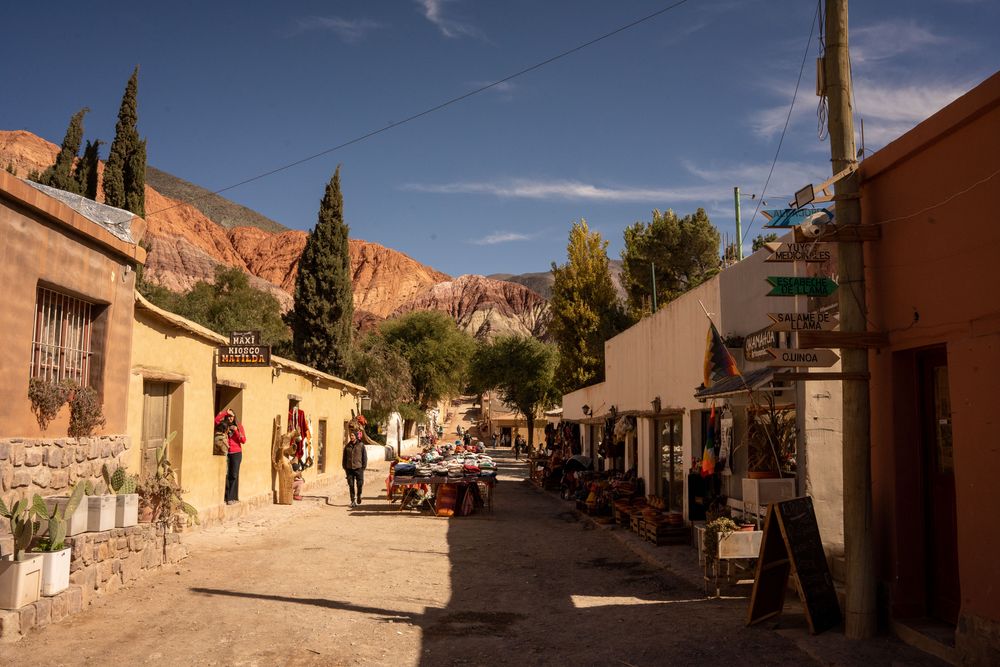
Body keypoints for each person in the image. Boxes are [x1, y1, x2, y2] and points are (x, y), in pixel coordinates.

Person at [215, 409, 246, 505]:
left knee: (234, 475)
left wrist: (236, 431)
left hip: (236, 453)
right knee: (227, 475)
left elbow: (243, 440)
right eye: (228, 416)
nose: (230, 418)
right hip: (226, 453)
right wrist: (225, 412)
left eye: (231, 416)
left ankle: (231, 498)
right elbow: (216, 421)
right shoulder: (224, 425)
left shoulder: (239, 427)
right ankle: (228, 497)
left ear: (234, 417)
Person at [342, 430, 368, 508]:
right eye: (351, 435)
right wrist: (345, 467)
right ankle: (353, 500)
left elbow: (364, 457)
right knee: (351, 485)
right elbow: (344, 458)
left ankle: (359, 495)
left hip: (359, 468)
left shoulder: (361, 445)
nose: (351, 437)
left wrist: (363, 467)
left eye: (353, 435)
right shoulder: (347, 446)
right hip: (349, 469)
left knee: (360, 484)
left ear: (356, 436)